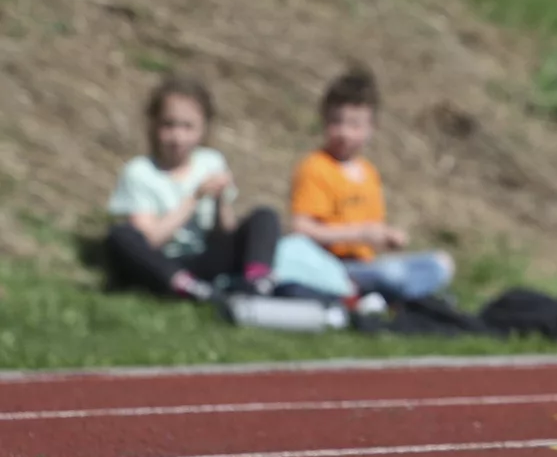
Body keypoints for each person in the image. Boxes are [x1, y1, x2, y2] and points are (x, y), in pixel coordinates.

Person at [104, 76, 279, 301]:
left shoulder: (212, 162)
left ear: (202, 129)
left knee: (264, 216)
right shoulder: (139, 172)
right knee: (120, 236)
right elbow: (150, 239)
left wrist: (221, 200)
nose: (178, 137)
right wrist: (193, 199)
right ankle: (186, 287)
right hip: (163, 262)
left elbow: (225, 231)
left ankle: (257, 284)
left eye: (188, 127)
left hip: (205, 257)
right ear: (154, 125)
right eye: (169, 125)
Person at [289, 67, 456, 301]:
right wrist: (359, 233)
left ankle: (392, 296)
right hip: (331, 266)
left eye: (354, 125)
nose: (344, 133)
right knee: (391, 274)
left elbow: (372, 234)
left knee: (441, 263)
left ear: (371, 128)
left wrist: (387, 237)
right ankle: (401, 298)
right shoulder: (315, 167)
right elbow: (301, 229)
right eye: (337, 122)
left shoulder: (368, 173)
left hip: (366, 265)